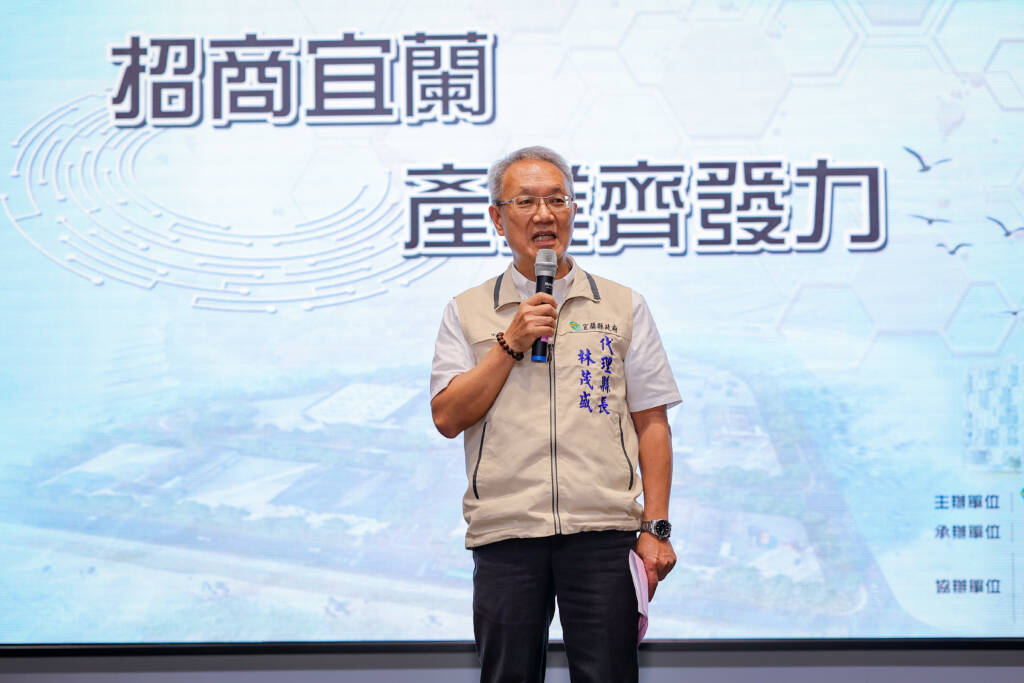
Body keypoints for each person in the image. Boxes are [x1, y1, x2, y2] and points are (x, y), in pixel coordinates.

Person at [430, 146, 680, 682]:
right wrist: (510, 343)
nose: (544, 214)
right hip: (507, 533)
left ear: (572, 210)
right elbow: (447, 417)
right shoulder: (466, 310)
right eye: (525, 202)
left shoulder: (622, 305)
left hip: (603, 532)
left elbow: (652, 422)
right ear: (498, 218)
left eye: (556, 200)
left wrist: (656, 528)